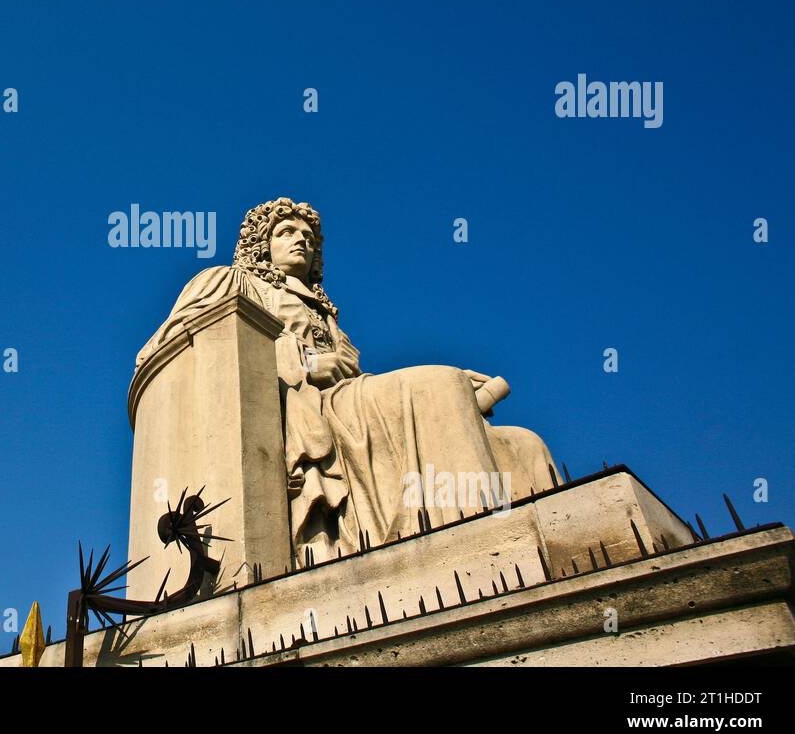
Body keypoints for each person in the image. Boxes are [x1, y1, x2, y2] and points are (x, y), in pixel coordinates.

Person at [135, 198, 557, 563]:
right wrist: (304, 364)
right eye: (286, 231)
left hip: (343, 404)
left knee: (521, 443)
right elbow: (177, 350)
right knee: (438, 385)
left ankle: (540, 551)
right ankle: (476, 550)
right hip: (303, 411)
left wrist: (465, 394)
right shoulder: (231, 281)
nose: (301, 239)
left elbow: (356, 380)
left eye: (308, 236)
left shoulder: (327, 313)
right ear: (261, 244)